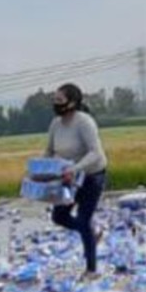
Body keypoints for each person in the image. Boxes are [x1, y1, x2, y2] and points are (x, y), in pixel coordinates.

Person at [45, 83, 108, 279]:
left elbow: (95, 153)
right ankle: (92, 232)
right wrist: (39, 170)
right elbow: (49, 151)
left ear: (72, 102)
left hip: (91, 176)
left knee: (83, 218)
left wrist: (75, 168)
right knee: (59, 216)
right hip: (68, 179)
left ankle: (91, 270)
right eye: (54, 101)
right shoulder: (56, 124)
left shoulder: (84, 122)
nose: (56, 105)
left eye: (60, 101)